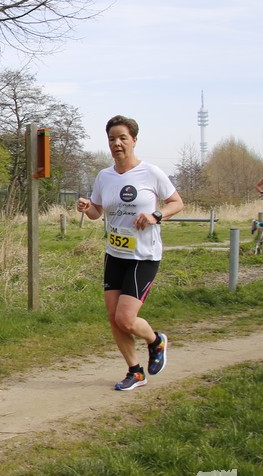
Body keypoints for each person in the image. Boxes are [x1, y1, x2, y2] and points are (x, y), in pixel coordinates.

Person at [76, 115, 185, 391]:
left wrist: (155, 216)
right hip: (115, 254)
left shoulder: (151, 172)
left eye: (122, 138)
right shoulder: (104, 176)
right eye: (112, 139)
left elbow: (177, 203)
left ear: (134, 140)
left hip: (143, 257)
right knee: (114, 317)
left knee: (125, 318)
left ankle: (155, 341)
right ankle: (135, 371)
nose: (117, 143)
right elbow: (96, 212)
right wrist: (87, 207)